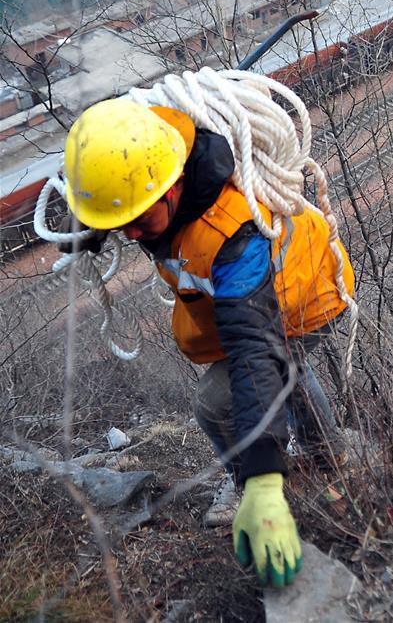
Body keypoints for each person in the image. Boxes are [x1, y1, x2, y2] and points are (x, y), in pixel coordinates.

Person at [62, 99, 355, 587]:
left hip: (302, 296)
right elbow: (125, 195)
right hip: (276, 292)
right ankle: (331, 455)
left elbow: (253, 348)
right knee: (292, 373)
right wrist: (96, 226)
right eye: (121, 224)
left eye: (139, 221)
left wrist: (263, 480)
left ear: (175, 184)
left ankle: (252, 486)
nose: (132, 234)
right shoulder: (153, 161)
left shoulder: (232, 231)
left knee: (216, 401)